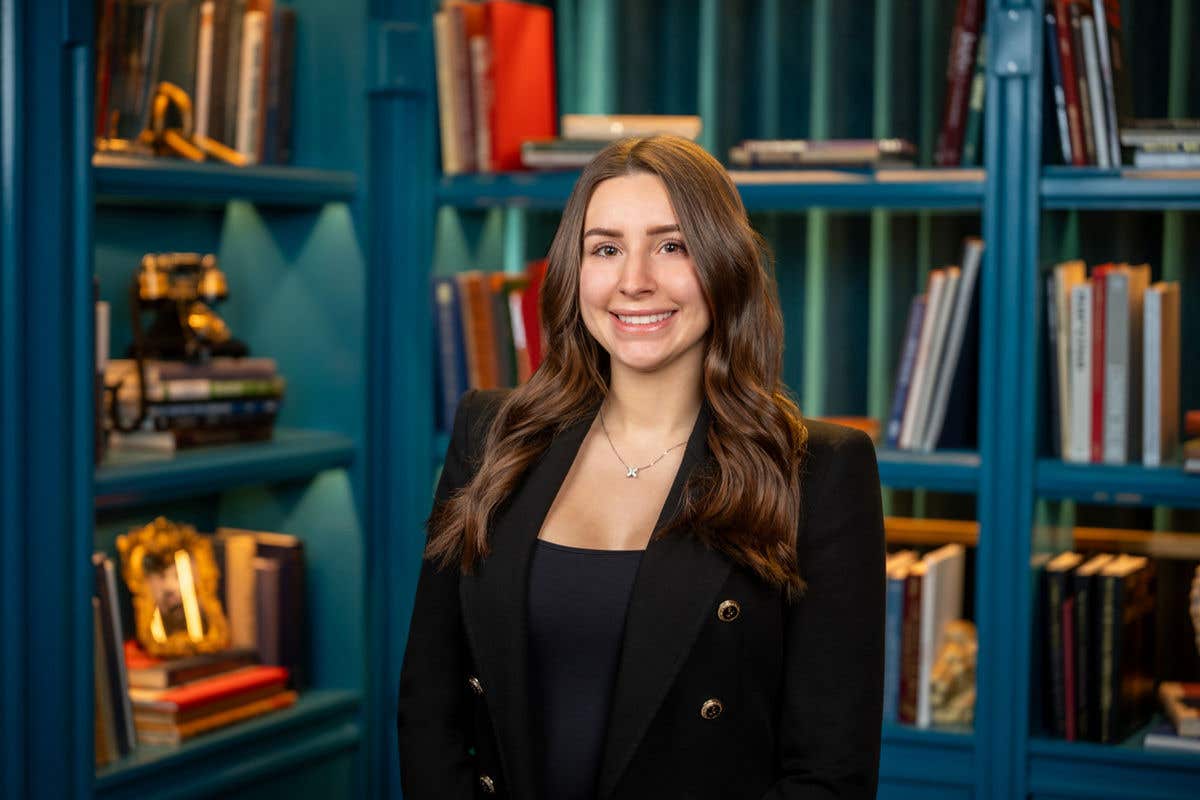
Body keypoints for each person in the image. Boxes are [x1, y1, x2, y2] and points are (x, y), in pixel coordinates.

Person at [397, 135, 885, 800]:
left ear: (725, 264)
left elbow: (828, 776)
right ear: (574, 272)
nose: (634, 280)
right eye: (606, 248)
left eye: (672, 245)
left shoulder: (819, 472)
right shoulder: (491, 434)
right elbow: (431, 706)